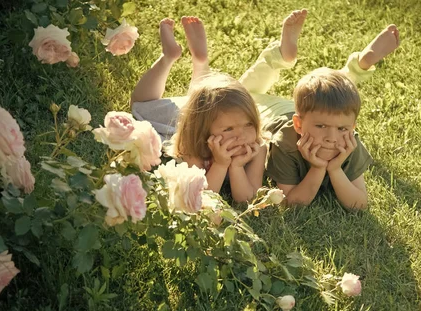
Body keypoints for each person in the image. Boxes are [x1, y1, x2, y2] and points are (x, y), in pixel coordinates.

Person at [130, 12, 308, 203]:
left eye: (248, 124)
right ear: (204, 131)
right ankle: (169, 56)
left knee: (203, 103)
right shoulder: (194, 147)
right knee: (140, 105)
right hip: (182, 119)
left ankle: (200, 62)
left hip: (206, 115)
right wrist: (221, 165)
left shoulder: (257, 147)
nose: (240, 135)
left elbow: (247, 199)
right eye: (229, 129)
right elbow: (202, 194)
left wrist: (237, 167)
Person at [263, 24, 400, 209]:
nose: (331, 138)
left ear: (353, 128)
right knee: (247, 90)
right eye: (321, 127)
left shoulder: (349, 144)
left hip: (308, 112)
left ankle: (359, 65)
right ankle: (278, 55)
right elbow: (291, 204)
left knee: (333, 95)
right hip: (269, 112)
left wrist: (334, 169)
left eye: (342, 128)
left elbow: (359, 205)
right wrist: (318, 168)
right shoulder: (285, 144)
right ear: (298, 125)